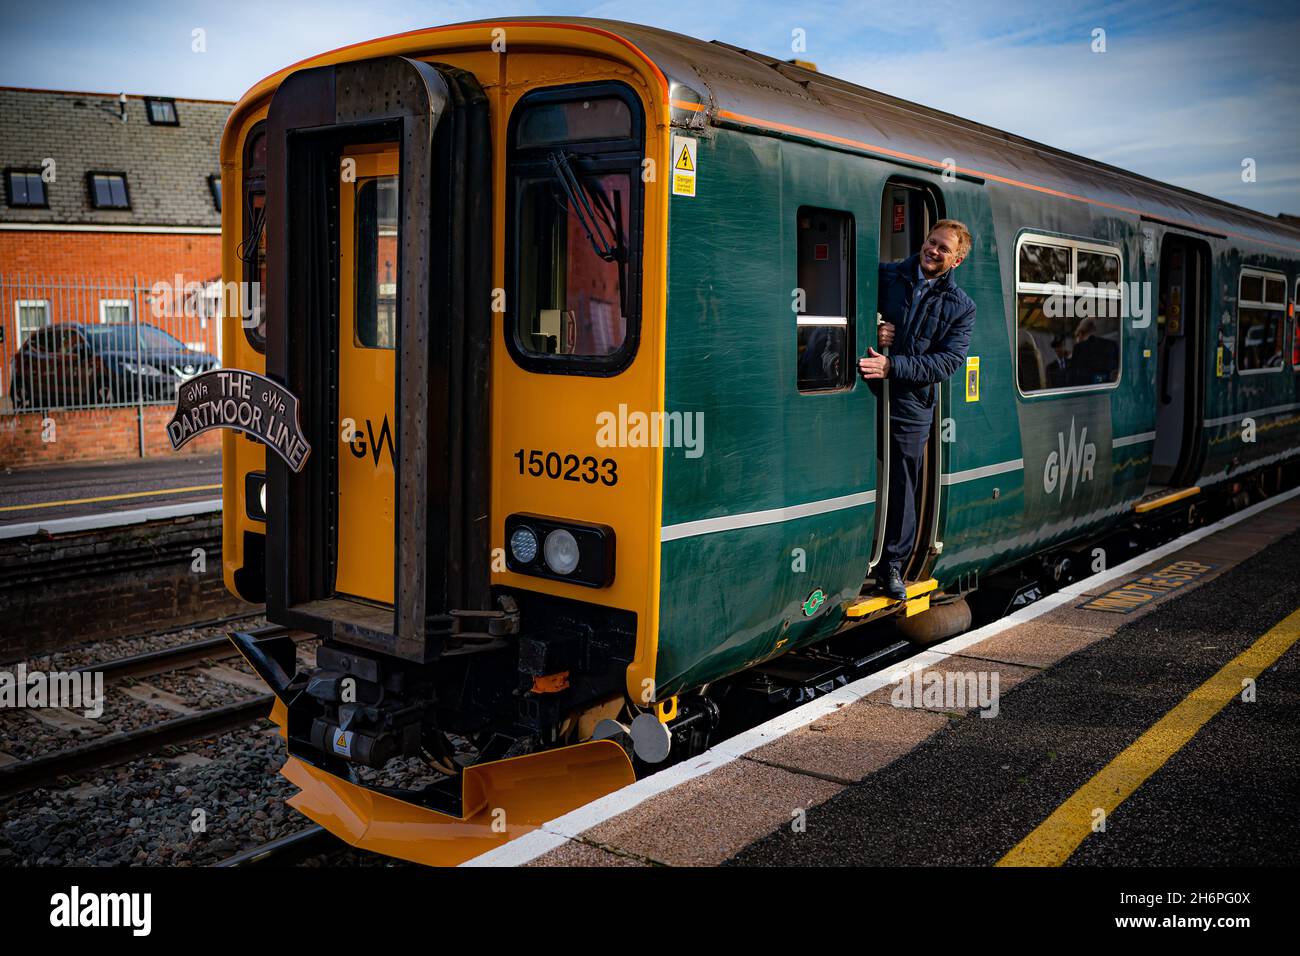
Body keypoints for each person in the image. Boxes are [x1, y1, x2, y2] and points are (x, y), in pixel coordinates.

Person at [858, 220, 976, 601]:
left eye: (943, 249)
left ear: (955, 261)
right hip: (862, 393)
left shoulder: (962, 308)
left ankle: (892, 565)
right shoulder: (884, 275)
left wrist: (895, 366)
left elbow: (946, 363)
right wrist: (871, 329)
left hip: (911, 405)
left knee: (902, 484)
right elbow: (851, 311)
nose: (933, 251)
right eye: (931, 242)